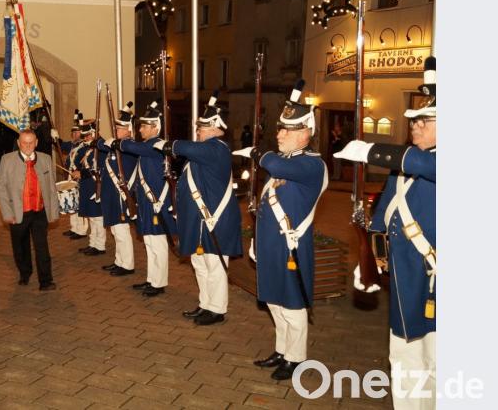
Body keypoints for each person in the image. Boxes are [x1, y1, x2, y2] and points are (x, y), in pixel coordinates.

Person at [335, 57, 437, 409]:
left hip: (434, 278)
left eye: (425, 121)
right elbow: (384, 215)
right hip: (404, 274)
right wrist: (370, 263)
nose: (415, 126)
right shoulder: (406, 161)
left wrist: (371, 150)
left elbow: (425, 165)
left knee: (436, 361)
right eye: (414, 121)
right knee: (403, 356)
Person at [234, 80, 328, 380]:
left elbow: (274, 166)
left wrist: (257, 152)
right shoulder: (284, 161)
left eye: (286, 130)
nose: (279, 134)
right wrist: (257, 241)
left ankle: (296, 358)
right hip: (271, 244)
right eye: (280, 129)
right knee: (273, 300)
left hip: (291, 245)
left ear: (305, 133)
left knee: (292, 304)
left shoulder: (312, 165)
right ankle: (282, 350)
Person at [155, 94, 242, 325]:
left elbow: (186, 147)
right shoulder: (203, 150)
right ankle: (205, 304)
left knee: (215, 265)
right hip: (199, 220)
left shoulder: (218, 148)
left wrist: (170, 145)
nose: (197, 132)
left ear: (215, 128)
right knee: (200, 264)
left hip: (215, 219)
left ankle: (217, 309)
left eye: (201, 128)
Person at [115, 102, 176, 297]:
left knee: (157, 244)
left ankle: (159, 283)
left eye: (144, 126)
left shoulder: (156, 145)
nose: (140, 129)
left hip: (157, 203)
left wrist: (120, 143)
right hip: (147, 203)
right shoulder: (148, 146)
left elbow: (134, 147)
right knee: (150, 243)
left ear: (155, 127)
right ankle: (152, 279)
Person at [0, 129, 60, 290]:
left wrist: (54, 212)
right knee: (20, 247)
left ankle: (46, 281)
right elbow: (1, 188)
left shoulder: (45, 159)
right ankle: (25, 273)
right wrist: (7, 213)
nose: (28, 146)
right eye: (24, 143)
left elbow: (52, 188)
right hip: (18, 213)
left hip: (40, 211)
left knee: (42, 247)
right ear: (18, 143)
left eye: (31, 142)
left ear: (36, 143)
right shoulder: (7, 160)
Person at [96, 102, 138, 276]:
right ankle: (119, 261)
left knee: (121, 231)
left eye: (120, 128)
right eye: (116, 128)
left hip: (121, 195)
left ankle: (127, 265)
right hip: (111, 194)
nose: (116, 130)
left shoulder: (128, 146)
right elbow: (100, 145)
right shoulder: (117, 144)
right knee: (115, 230)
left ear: (129, 130)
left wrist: (103, 141)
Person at [72, 120, 107, 256]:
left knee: (98, 217)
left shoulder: (102, 147)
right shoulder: (90, 146)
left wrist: (82, 173)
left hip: (96, 186)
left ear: (94, 132)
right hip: (88, 185)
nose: (85, 138)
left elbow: (100, 168)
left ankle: (100, 245)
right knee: (92, 217)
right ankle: (93, 243)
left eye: (88, 135)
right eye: (84, 135)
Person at [52, 109, 88, 239]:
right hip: (71, 176)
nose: (74, 134)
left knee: (79, 204)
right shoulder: (72, 144)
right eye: (73, 132)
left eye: (76, 132)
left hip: (80, 177)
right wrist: (55, 138)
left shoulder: (85, 146)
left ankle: (82, 230)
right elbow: (60, 145)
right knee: (73, 203)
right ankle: (74, 228)